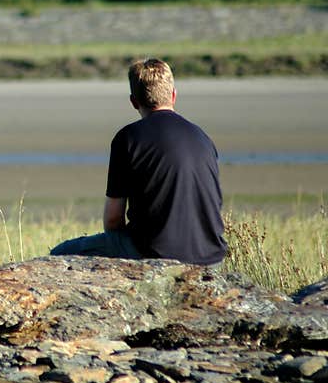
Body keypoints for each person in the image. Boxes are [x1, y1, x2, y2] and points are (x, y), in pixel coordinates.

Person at [50, 58, 227, 265]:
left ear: (134, 102)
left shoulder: (128, 138)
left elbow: (113, 219)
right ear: (173, 95)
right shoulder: (203, 137)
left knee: (59, 254)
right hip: (212, 257)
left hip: (153, 254)